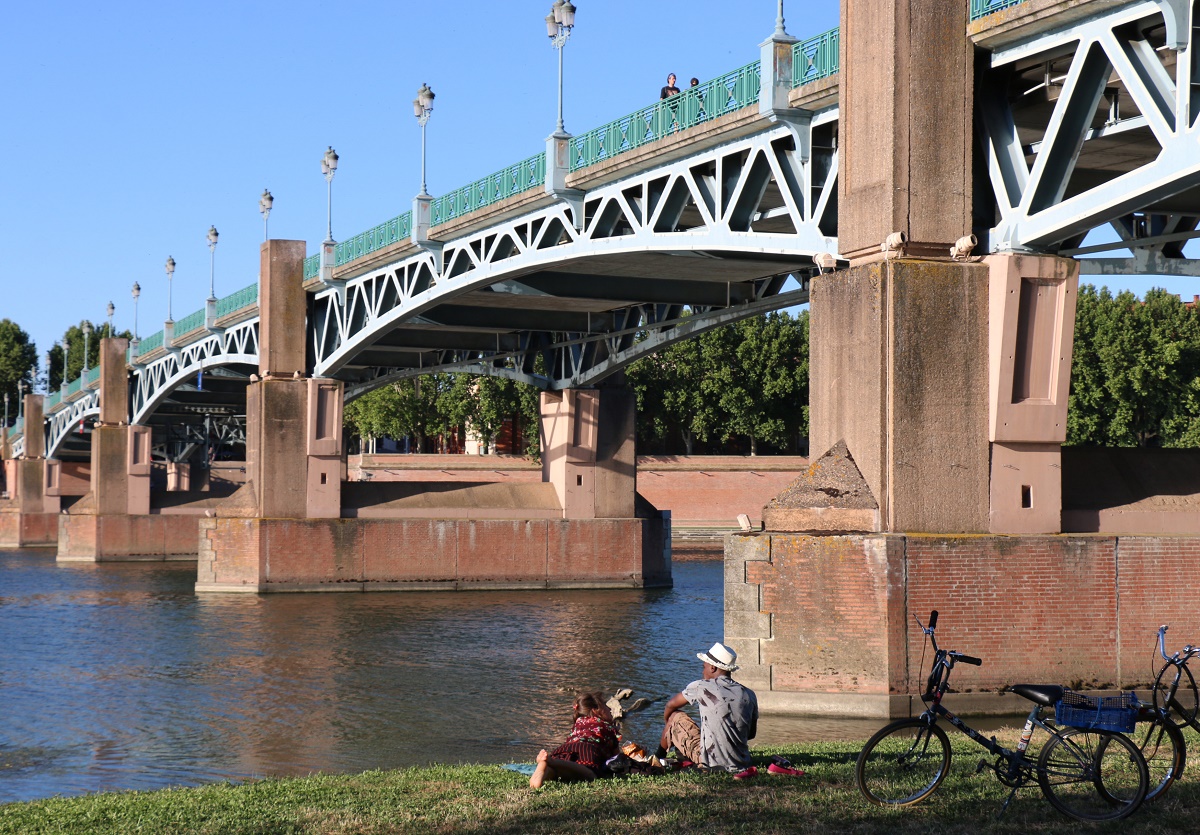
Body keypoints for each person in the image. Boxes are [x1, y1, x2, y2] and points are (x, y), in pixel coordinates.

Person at [657, 642, 758, 774]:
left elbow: (670, 704)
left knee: (675, 716)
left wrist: (668, 727)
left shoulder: (701, 687)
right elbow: (751, 734)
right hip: (742, 762)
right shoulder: (749, 694)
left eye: (703, 667)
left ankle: (658, 758)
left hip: (711, 762)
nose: (702, 671)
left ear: (712, 668)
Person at [530, 691, 620, 789]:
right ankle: (553, 762)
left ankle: (546, 769)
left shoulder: (578, 722)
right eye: (606, 706)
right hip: (588, 749)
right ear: (595, 711)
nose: (610, 709)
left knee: (557, 772)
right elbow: (616, 758)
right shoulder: (607, 726)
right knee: (590, 774)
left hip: (565, 749)